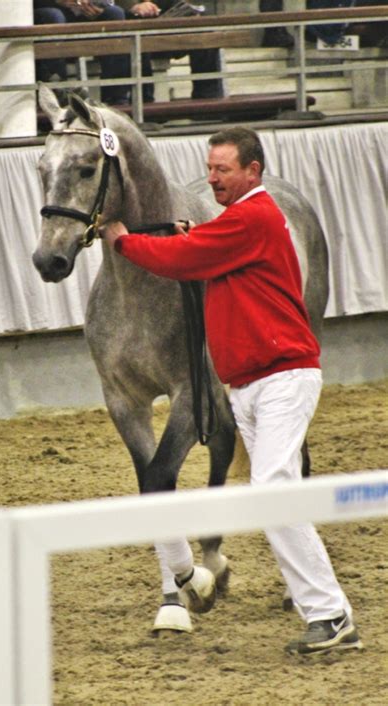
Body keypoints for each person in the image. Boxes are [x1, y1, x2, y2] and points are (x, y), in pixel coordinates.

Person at [100, 126, 363, 656]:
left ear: (253, 171)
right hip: (249, 384)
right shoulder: (238, 222)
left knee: (272, 491)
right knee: (273, 493)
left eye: (223, 170)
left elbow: (183, 260)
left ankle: (331, 615)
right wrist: (183, 232)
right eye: (210, 168)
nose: (212, 178)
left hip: (281, 379)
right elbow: (199, 248)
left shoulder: (253, 216)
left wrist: (124, 241)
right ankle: (321, 610)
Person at [117, 0, 224, 101]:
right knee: (139, 37)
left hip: (164, 30)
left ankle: (207, 95)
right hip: (133, 30)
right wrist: (134, 6)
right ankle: (145, 101)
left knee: (204, 29)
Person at [34, 0, 131, 105]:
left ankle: (116, 98)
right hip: (45, 9)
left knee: (115, 12)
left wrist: (95, 5)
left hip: (81, 12)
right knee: (54, 15)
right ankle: (58, 92)